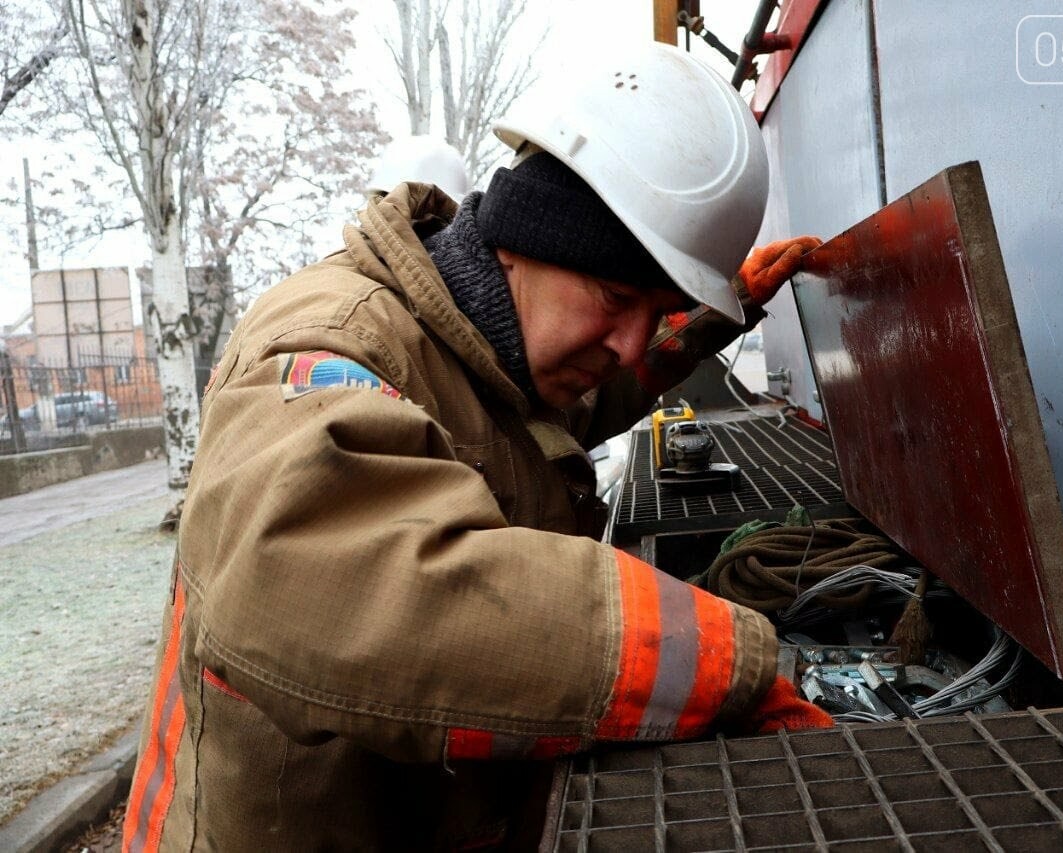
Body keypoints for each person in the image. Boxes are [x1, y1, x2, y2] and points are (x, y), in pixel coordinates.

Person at [123, 43, 829, 851]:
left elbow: (554, 414)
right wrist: (721, 661)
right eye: (617, 297)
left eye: (657, 311)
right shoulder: (328, 347)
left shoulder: (485, 340)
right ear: (525, 236)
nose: (633, 345)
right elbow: (348, 588)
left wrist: (701, 322)